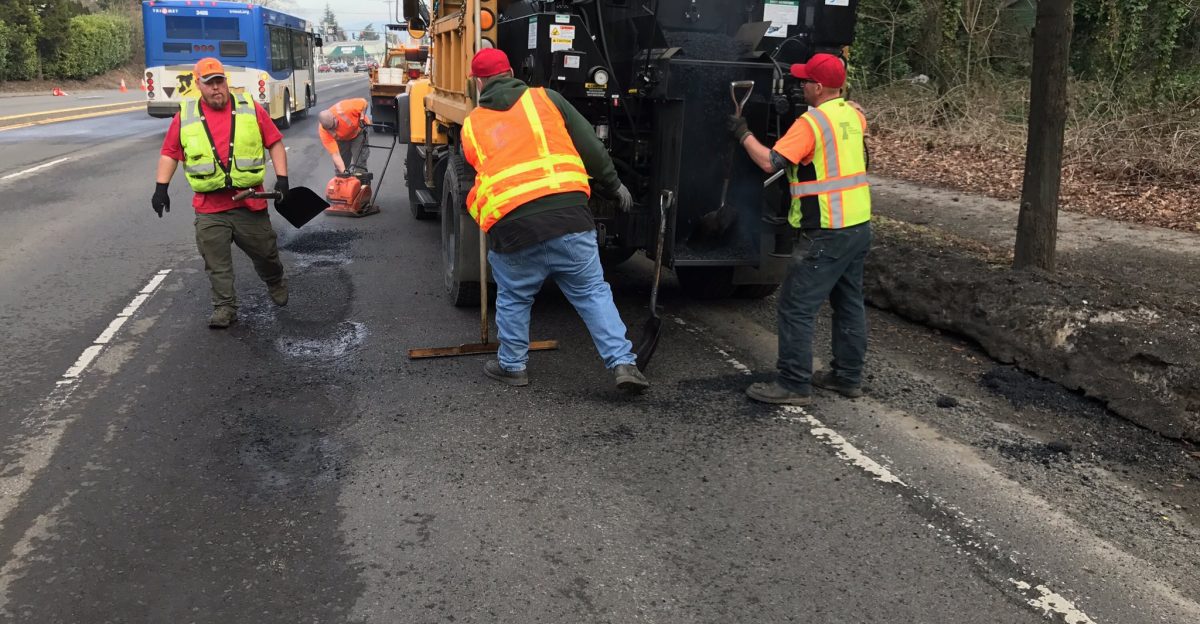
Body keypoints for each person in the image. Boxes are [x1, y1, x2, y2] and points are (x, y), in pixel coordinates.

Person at [460, 49, 648, 393]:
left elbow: (479, 167)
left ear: (478, 82)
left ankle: (513, 367)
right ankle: (623, 363)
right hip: (569, 218)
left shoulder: (472, 123)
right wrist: (613, 184)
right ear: (512, 72)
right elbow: (590, 144)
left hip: (514, 227)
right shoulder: (546, 98)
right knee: (592, 291)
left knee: (515, 296)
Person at [728, 53, 872, 405]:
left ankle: (793, 384)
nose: (799, 84)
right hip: (858, 225)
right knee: (849, 302)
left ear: (819, 87)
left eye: (805, 80)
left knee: (796, 306)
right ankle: (847, 377)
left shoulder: (811, 123)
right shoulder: (852, 115)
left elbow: (769, 162)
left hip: (826, 228)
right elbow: (861, 122)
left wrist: (742, 132)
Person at [151, 57, 290, 329]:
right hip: (209, 206)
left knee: (266, 253)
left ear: (226, 81)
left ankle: (274, 280)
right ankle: (224, 307)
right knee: (216, 261)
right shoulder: (186, 116)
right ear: (198, 85)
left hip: (249, 202)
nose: (217, 89)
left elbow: (274, 142)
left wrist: (282, 179)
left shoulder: (249, 108)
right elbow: (169, 152)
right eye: (210, 83)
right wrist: (161, 188)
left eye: (220, 82)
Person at [317, 98, 370, 175]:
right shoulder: (323, 131)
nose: (333, 130)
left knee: (359, 165)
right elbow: (335, 154)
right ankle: (343, 183)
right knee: (341, 170)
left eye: (334, 126)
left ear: (334, 117)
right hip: (342, 139)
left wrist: (362, 116)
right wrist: (344, 173)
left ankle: (362, 184)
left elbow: (364, 102)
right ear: (325, 127)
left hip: (359, 133)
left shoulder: (346, 109)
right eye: (330, 129)